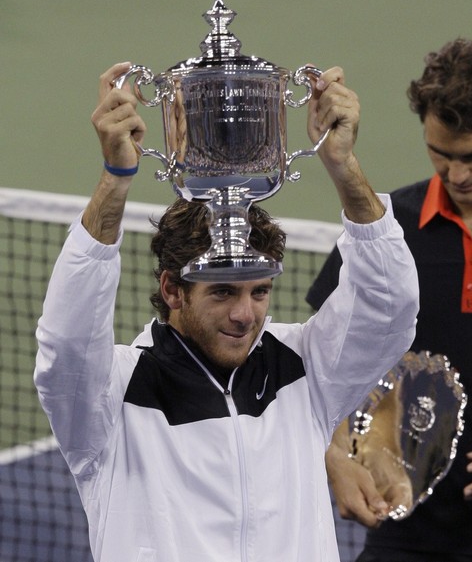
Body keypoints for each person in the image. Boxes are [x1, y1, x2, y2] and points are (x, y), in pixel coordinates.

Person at [34, 62, 419, 562]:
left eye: (259, 291)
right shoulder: (111, 396)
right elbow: (67, 343)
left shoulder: (306, 369)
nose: (245, 315)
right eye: (222, 293)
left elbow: (390, 307)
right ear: (172, 289)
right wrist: (115, 179)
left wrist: (344, 167)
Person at [307, 39, 472, 561]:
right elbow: (321, 365)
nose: (457, 175)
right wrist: (336, 455)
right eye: (441, 155)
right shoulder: (386, 230)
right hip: (401, 535)